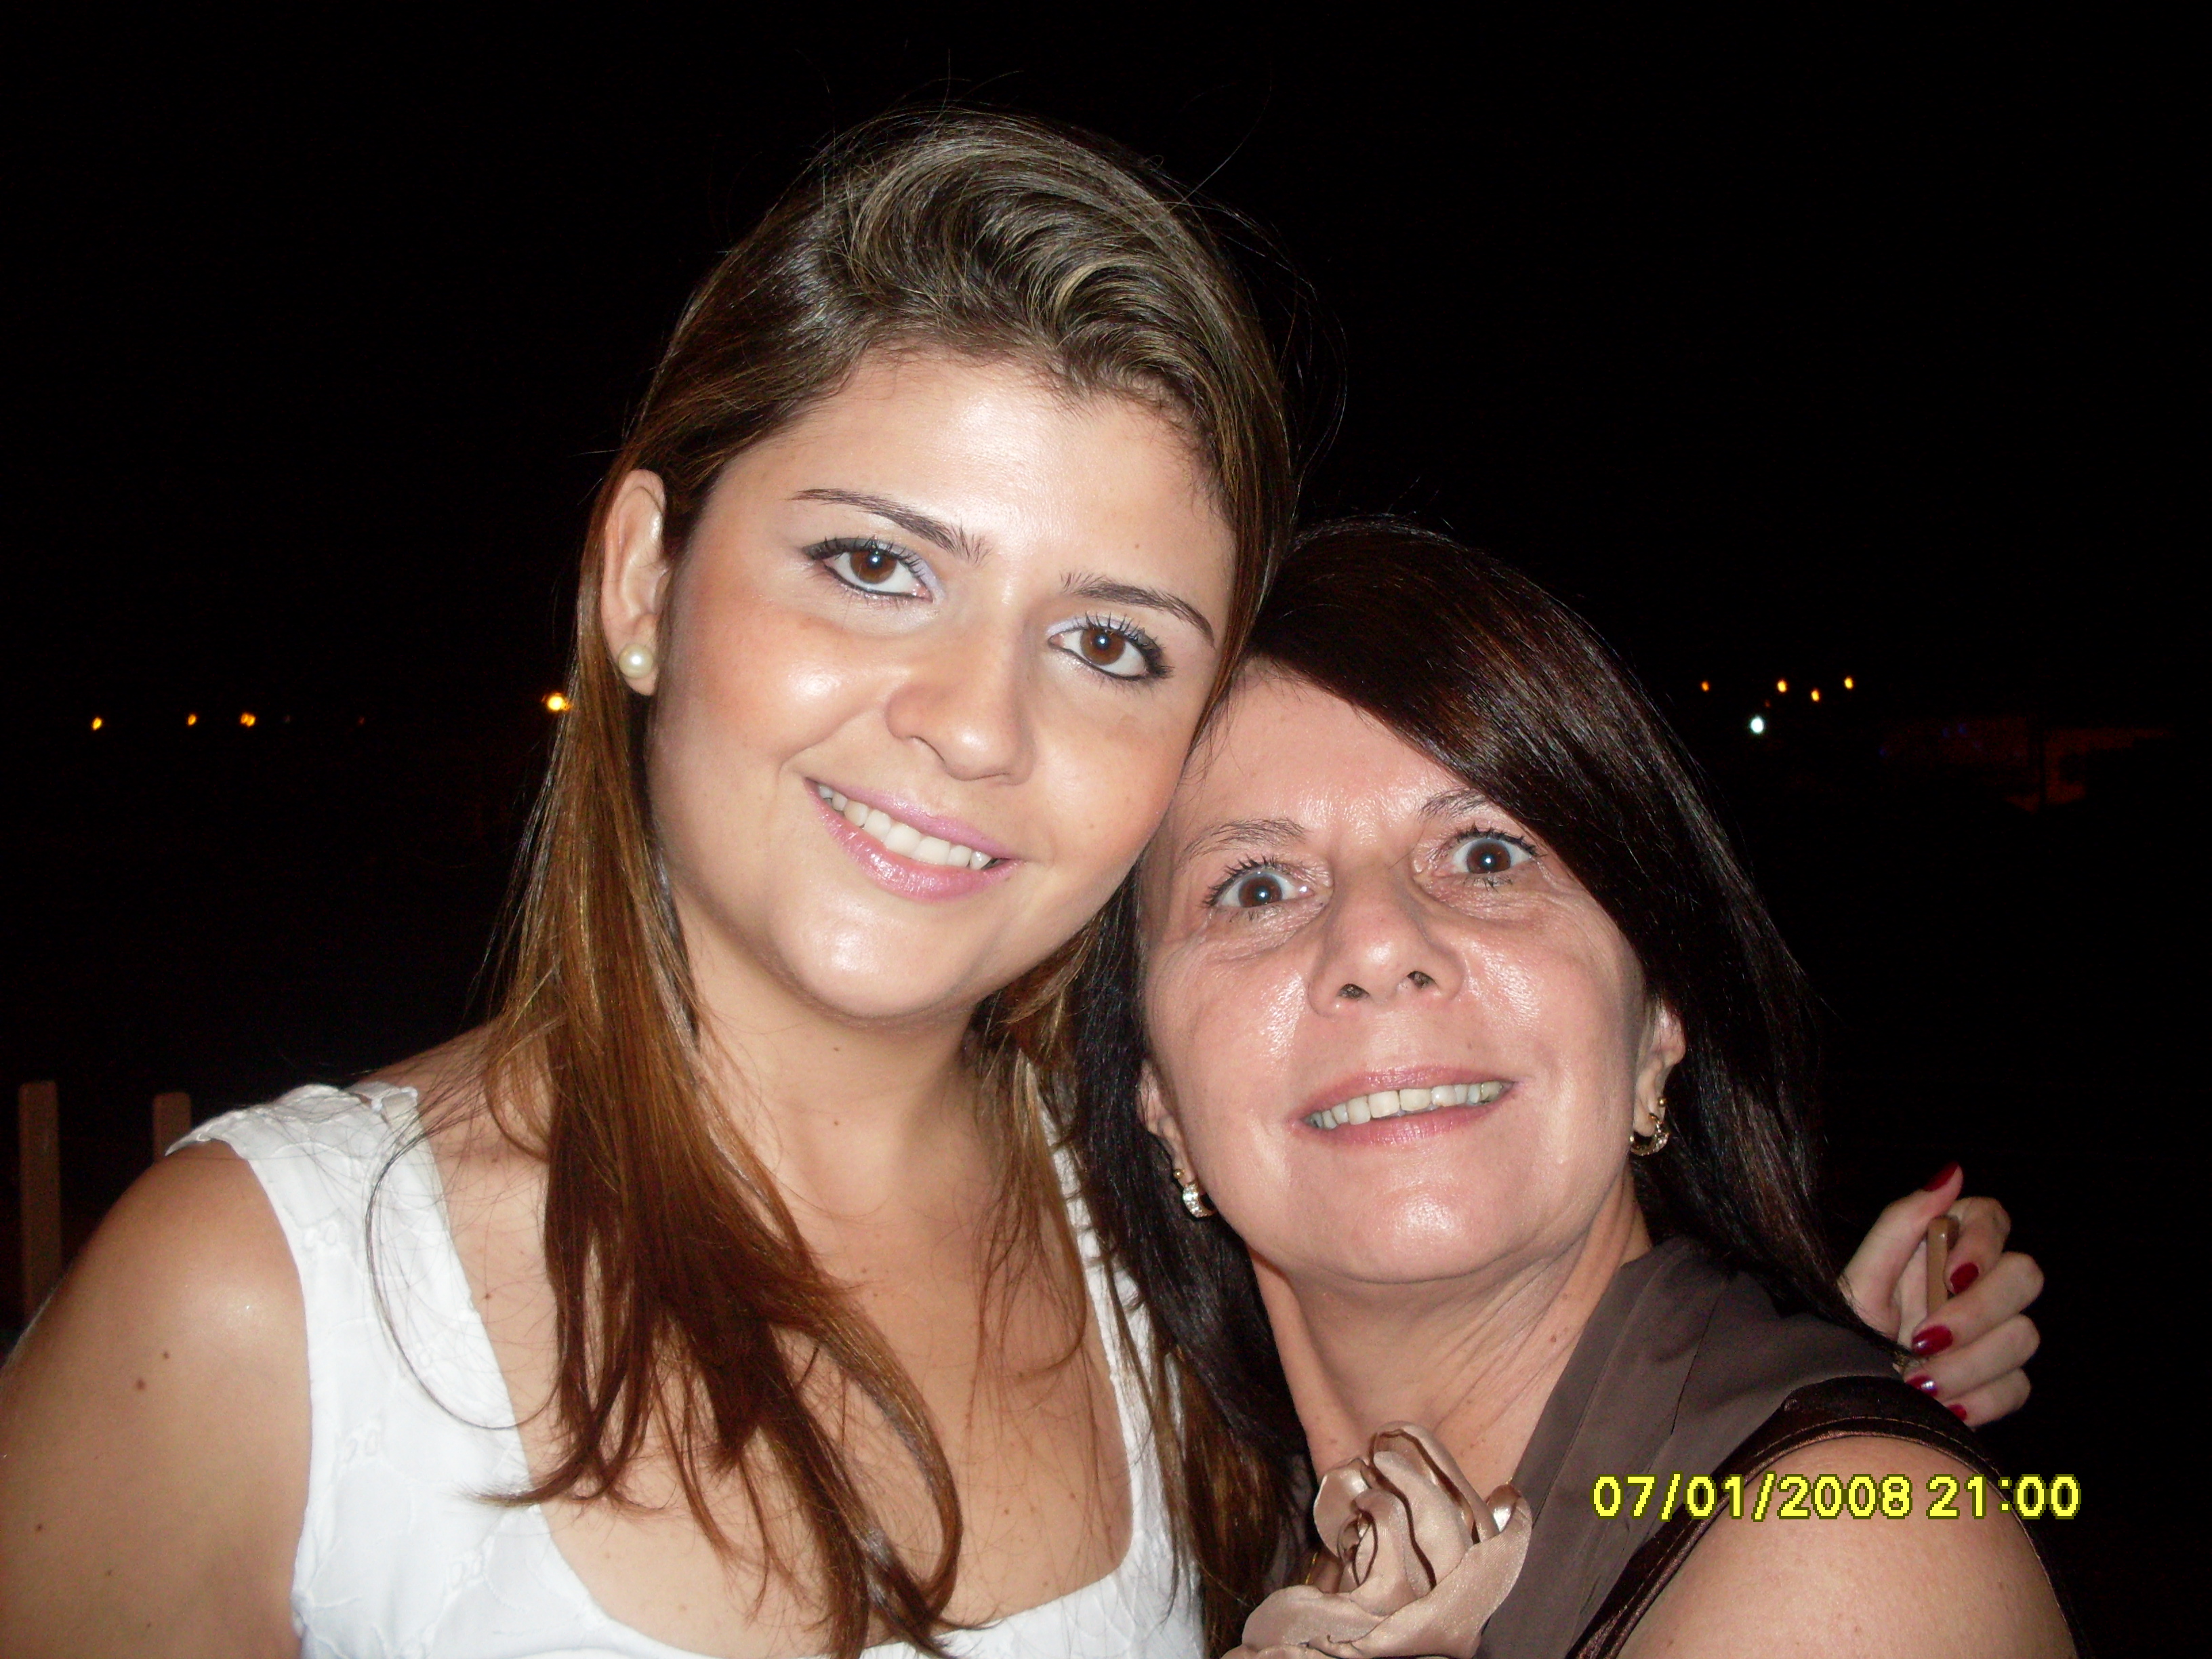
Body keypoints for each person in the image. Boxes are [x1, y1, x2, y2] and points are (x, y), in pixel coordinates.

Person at [0, 116, 2042, 1659]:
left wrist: (1793, 1392)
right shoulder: (261, 1314)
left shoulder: (1161, 1257)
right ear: (640, 583)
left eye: (1110, 641)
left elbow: (1548, 1392)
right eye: (874, 563)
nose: (977, 724)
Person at [1085, 520, 2071, 1656]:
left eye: (1487, 855)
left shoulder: (1852, 1553)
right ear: (1155, 1092)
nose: (1378, 943)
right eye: (1257, 887)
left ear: (1658, 1019)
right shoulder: (1210, 1536)